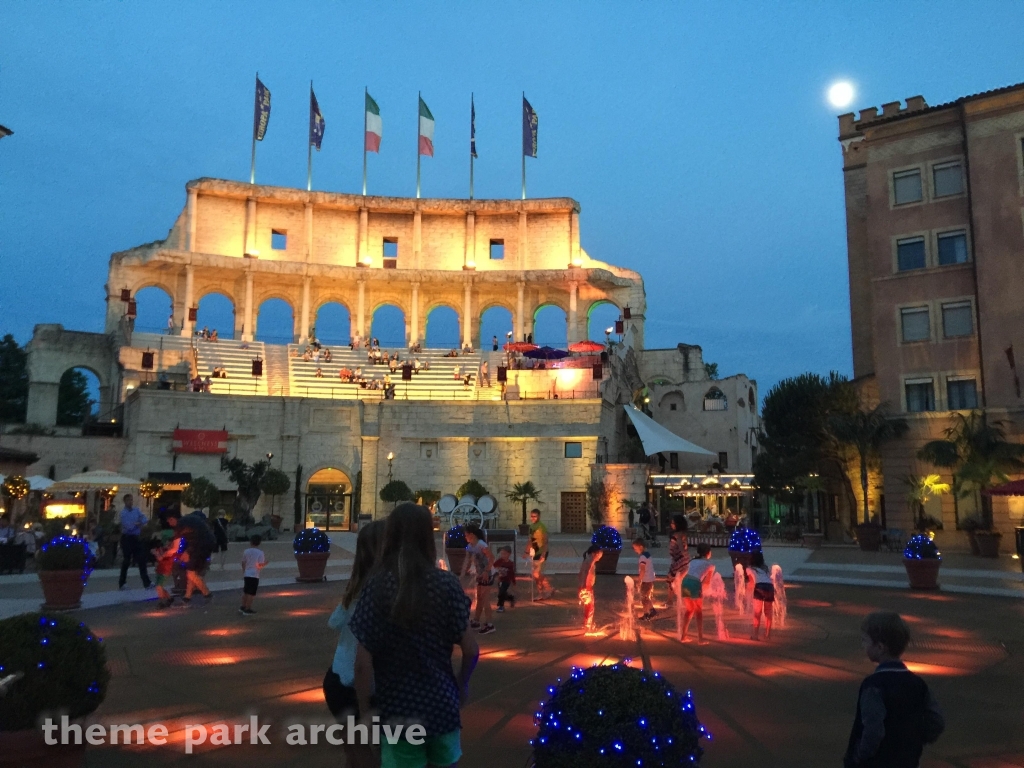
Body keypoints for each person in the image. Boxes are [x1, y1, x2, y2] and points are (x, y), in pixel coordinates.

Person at [351, 503, 479, 768]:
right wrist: (461, 684)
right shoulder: (446, 584)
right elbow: (470, 648)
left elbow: (362, 663)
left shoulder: (377, 586)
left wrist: (366, 713)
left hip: (399, 710)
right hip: (441, 705)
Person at [844, 612, 944, 768]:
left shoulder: (874, 686)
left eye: (865, 641)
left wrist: (859, 755)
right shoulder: (917, 683)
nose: (863, 645)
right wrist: (915, 739)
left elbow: (873, 729)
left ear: (880, 647)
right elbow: (936, 721)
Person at [325, 520, 384, 768]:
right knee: (383, 751)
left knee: (354, 749)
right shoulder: (386, 591)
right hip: (368, 685)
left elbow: (334, 622)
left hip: (340, 679)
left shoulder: (357, 587)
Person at [463, 524, 496, 635]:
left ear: (472, 535)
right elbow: (467, 561)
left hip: (487, 574)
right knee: (480, 598)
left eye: (466, 535)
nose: (465, 537)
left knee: (485, 599)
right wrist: (462, 575)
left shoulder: (481, 545)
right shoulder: (470, 546)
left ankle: (489, 624)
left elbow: (491, 557)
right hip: (480, 574)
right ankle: (476, 620)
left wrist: (486, 571)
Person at [679, 543, 715, 645]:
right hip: (695, 583)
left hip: (685, 582)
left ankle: (683, 636)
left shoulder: (693, 560)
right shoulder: (710, 564)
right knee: (698, 612)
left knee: (689, 610)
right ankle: (700, 639)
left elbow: (685, 572)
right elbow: (707, 582)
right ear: (708, 553)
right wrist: (704, 591)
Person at [117, 494, 152, 590]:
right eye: (128, 500)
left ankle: (147, 583)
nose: (130, 502)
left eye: (131, 500)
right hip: (127, 538)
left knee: (141, 560)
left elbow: (144, 519)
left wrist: (138, 523)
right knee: (127, 560)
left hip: (136, 538)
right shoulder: (123, 513)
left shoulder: (136, 510)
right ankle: (122, 583)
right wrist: (137, 524)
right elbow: (128, 526)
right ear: (125, 501)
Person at [747, 551, 775, 641]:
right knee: (768, 612)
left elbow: (752, 583)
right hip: (770, 587)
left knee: (757, 613)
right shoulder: (766, 568)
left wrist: (747, 591)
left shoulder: (750, 569)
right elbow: (769, 579)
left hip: (759, 587)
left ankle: (755, 635)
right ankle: (768, 635)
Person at [578, 545, 603, 633]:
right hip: (587, 587)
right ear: (594, 553)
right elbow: (586, 571)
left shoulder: (587, 559)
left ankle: (586, 624)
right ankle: (588, 626)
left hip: (585, 586)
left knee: (588, 607)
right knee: (590, 607)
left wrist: (581, 584)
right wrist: (584, 585)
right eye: (599, 555)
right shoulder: (590, 560)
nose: (599, 558)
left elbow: (581, 573)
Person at [239, 534, 266, 615]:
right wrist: (265, 564)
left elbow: (243, 562)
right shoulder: (260, 553)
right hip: (254, 574)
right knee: (251, 593)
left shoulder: (246, 551)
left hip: (247, 573)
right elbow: (259, 565)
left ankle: (243, 606)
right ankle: (248, 608)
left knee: (246, 591)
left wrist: (244, 571)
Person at [666, 515, 689, 608]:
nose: (671, 524)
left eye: (673, 523)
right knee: (681, 580)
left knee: (670, 579)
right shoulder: (682, 534)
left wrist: (682, 553)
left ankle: (670, 601)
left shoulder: (677, 535)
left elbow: (681, 546)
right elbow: (685, 546)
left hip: (679, 560)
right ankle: (683, 600)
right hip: (680, 560)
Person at [528, 509, 552, 598]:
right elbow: (530, 539)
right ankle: (548, 588)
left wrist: (543, 554)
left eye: (535, 516)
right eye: (532, 516)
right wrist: (527, 551)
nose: (533, 518)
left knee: (536, 574)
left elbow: (546, 541)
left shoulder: (542, 526)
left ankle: (540, 592)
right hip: (535, 552)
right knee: (537, 574)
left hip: (542, 552)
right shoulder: (531, 527)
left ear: (539, 516)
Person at [632, 538, 657, 621]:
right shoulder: (647, 555)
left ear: (641, 547)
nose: (635, 550)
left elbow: (642, 570)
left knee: (644, 598)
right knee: (646, 597)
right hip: (650, 579)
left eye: (635, 548)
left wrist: (639, 581)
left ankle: (647, 613)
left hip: (646, 580)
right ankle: (651, 610)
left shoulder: (643, 557)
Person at [493, 545, 516, 612]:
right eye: (502, 553)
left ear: (509, 554)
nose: (503, 555)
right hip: (500, 580)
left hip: (506, 581)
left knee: (501, 593)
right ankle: (510, 598)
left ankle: (501, 606)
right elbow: (493, 565)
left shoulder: (510, 564)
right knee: (503, 593)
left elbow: (512, 574)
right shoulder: (500, 561)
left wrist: (513, 582)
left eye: (504, 554)